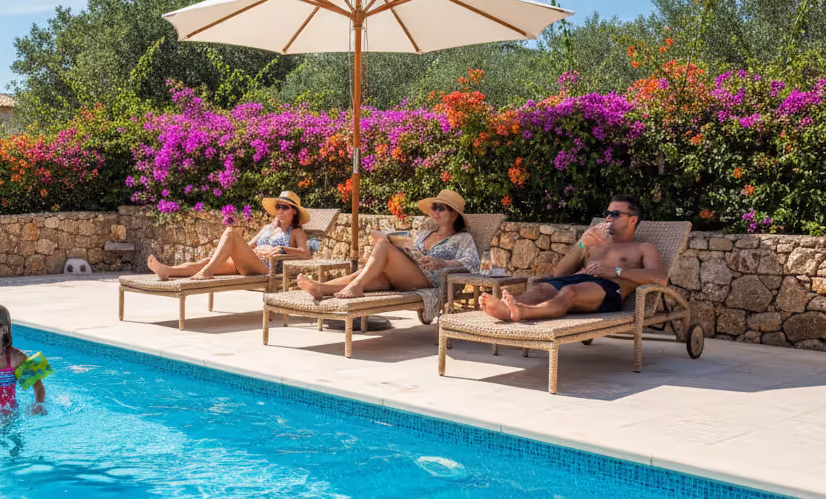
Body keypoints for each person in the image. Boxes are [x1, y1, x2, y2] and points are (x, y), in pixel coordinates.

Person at [480, 194, 667, 322]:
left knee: (570, 292)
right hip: (577, 280)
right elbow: (560, 273)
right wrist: (583, 243)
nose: (608, 218)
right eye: (607, 214)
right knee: (541, 289)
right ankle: (508, 308)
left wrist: (616, 271)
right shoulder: (593, 242)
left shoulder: (643, 248)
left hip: (609, 287)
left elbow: (660, 278)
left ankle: (522, 311)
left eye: (615, 214)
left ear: (632, 220)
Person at [298, 189, 479, 299]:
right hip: (410, 274)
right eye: (434, 207)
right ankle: (321, 287)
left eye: (440, 208)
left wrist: (444, 263)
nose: (435, 212)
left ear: (453, 214)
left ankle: (356, 286)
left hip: (432, 280)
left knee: (384, 246)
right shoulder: (425, 234)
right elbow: (412, 254)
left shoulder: (462, 238)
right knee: (367, 274)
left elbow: (473, 263)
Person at [146, 191, 312, 281]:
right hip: (250, 262)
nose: (280, 211)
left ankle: (207, 272)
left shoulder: (296, 231)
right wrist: (227, 253)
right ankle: (167, 271)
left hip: (266, 268)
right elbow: (248, 245)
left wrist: (281, 248)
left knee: (231, 232)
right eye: (278, 207)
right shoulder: (267, 228)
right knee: (206, 261)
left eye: (285, 207)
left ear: (294, 211)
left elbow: (306, 254)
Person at [0, 304, 46, 415]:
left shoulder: (15, 358)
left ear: (4, 329)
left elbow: (38, 386)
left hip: (7, 413)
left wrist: (38, 405)